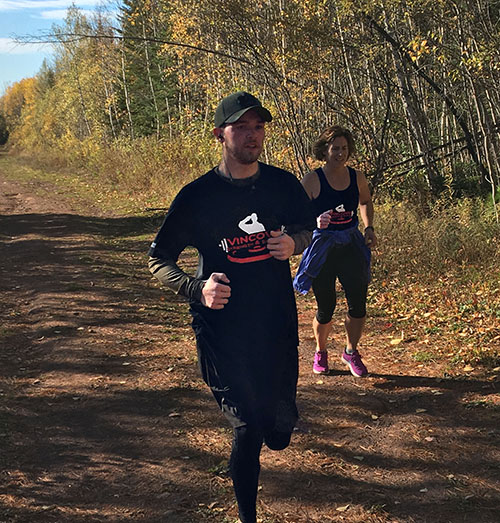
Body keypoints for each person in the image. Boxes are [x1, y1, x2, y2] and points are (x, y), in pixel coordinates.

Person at [148, 91, 315, 523]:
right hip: (221, 328)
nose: (252, 135)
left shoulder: (282, 184)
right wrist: (195, 287)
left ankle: (273, 425)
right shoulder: (197, 196)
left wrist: (292, 243)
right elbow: (158, 259)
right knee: (246, 428)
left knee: (276, 431)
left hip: (276, 321)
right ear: (220, 134)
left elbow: (308, 228)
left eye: (259, 127)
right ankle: (247, 517)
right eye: (241, 127)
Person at [293, 125, 377, 377]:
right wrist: (314, 222)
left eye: (344, 148)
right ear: (325, 150)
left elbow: (365, 201)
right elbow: (294, 215)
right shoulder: (311, 180)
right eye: (335, 148)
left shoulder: (357, 177)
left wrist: (369, 228)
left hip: (351, 245)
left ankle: (351, 351)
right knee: (326, 306)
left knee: (358, 303)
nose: (340, 153)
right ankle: (321, 352)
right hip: (322, 248)